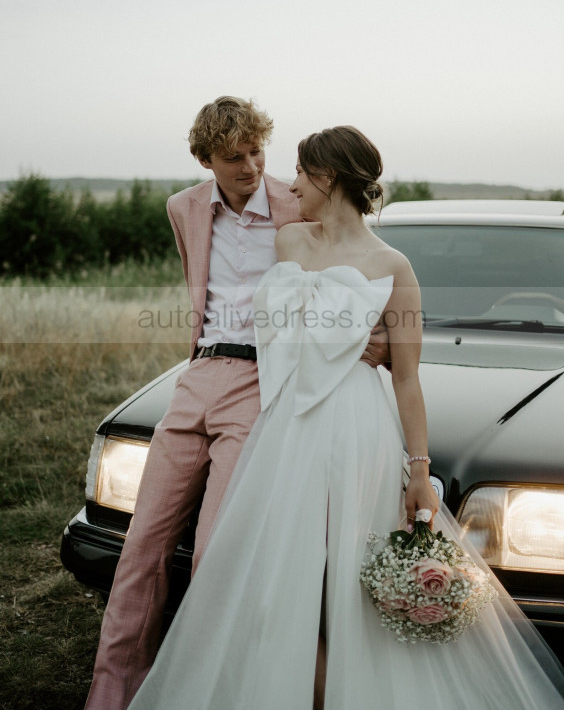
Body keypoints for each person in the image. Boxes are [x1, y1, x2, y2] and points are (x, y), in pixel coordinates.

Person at [129, 126, 564, 710]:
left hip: (357, 431)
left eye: (303, 174)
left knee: (344, 584)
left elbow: (408, 378)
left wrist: (418, 469)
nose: (292, 183)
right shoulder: (290, 243)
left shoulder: (393, 266)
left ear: (328, 178)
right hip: (286, 429)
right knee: (273, 578)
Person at [85, 100, 390, 710]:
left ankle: (215, 689)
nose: (251, 166)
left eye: (258, 152)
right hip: (197, 374)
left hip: (261, 382)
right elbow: (200, 288)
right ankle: (113, 693)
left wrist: (364, 346)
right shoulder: (184, 209)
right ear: (206, 161)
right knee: (142, 543)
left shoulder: (299, 202)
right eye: (234, 157)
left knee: (218, 549)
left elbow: (359, 279)